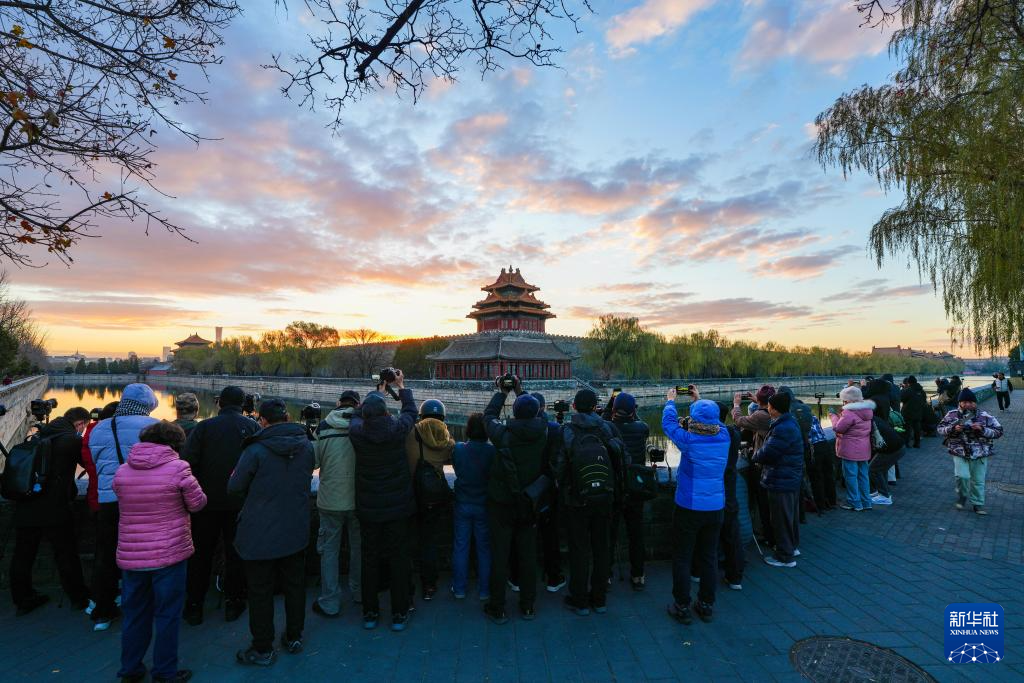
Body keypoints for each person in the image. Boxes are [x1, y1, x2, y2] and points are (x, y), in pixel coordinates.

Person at [114, 421, 206, 683]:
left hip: (133, 556)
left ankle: (130, 669)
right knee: (167, 615)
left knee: (134, 615)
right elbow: (197, 504)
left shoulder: (122, 471)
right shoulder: (178, 468)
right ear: (175, 444)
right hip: (169, 553)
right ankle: (164, 672)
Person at [230, 399, 314, 666]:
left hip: (259, 531)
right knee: (294, 585)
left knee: (260, 590)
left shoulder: (255, 449)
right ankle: (294, 636)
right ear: (287, 417)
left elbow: (234, 487)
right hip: (296, 526)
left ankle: (263, 647)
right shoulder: (306, 446)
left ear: (262, 420)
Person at [181, 386, 259, 625]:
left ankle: (194, 605)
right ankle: (233, 603)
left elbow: (187, 463)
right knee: (235, 554)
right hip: (239, 502)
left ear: (219, 403)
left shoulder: (204, 427)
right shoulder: (252, 427)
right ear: (242, 403)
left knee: (201, 555)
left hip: (206, 503)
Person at [86, 383, 160, 631]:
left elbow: (96, 462)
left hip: (109, 500)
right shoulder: (155, 427)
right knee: (146, 555)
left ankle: (103, 611)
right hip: (144, 501)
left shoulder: (100, 428)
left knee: (107, 554)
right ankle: (142, 605)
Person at [349, 371, 417, 632]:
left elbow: (355, 416)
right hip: (398, 506)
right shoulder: (397, 429)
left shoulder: (357, 433)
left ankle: (370, 613)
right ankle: (399, 613)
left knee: (370, 560)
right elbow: (410, 411)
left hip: (368, 508)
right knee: (399, 558)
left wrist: (375, 392)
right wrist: (401, 386)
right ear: (387, 413)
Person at [9, 407, 92, 616]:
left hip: (27, 503)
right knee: (66, 554)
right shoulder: (71, 440)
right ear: (80, 423)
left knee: (23, 554)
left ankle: (22, 599)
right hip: (55, 507)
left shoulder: (40, 434)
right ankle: (78, 597)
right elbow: (89, 464)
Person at [482, 379, 548, 623]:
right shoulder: (543, 430)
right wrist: (520, 390)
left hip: (502, 503)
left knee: (500, 556)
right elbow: (538, 411)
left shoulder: (503, 435)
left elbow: (488, 416)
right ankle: (528, 605)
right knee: (528, 556)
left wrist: (503, 392)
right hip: (529, 502)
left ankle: (497, 607)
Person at [555, 389, 624, 617]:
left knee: (579, 549)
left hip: (577, 498)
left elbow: (559, 467)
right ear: (596, 407)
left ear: (574, 406)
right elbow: (621, 458)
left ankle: (580, 600)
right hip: (605, 497)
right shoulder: (607, 428)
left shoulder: (567, 431)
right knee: (602, 547)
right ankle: (600, 598)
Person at [662, 388, 729, 624]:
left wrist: (671, 401)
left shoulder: (688, 440)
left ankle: (681, 605)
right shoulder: (725, 435)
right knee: (708, 557)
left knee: (682, 556)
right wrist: (699, 401)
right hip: (715, 507)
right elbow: (712, 420)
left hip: (689, 506)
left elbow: (668, 424)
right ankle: (706, 604)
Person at [508, 392, 565, 594]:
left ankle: (515, 577)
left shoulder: (510, 431)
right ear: (543, 408)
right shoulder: (555, 430)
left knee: (519, 537)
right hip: (546, 491)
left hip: (521, 492)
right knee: (550, 537)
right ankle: (554, 578)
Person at [312, 390, 361, 618]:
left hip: (330, 499)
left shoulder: (322, 427)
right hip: (359, 499)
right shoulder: (363, 426)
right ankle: (360, 592)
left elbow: (313, 462)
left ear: (338, 403)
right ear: (357, 404)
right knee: (358, 549)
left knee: (329, 551)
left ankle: (330, 601)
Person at [405, 397, 455, 601]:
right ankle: (429, 585)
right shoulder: (448, 440)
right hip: (433, 497)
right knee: (429, 541)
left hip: (411, 493)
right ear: (442, 416)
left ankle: (406, 585)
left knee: (406, 541)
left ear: (422, 415)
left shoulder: (409, 433)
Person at [751, 392, 804, 568]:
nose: (767, 408)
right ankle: (792, 547)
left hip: (781, 478)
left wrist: (754, 454)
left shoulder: (782, 428)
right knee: (789, 516)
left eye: (769, 406)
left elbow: (768, 453)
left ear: (773, 408)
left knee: (780, 519)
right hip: (789, 477)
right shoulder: (789, 422)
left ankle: (785, 556)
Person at [604, 391, 650, 591]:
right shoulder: (642, 428)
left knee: (609, 533)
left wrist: (610, 405)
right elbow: (637, 421)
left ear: (614, 410)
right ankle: (638, 574)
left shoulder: (607, 428)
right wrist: (633, 412)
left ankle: (605, 575)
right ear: (634, 411)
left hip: (614, 486)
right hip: (635, 487)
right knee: (636, 533)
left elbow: (603, 420)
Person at [450, 412, 495, 601]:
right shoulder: (492, 451)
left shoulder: (459, 449)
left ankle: (459, 588)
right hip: (483, 504)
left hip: (463, 502)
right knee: (484, 548)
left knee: (461, 546)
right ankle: (484, 590)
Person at [937, 388, 1003, 515]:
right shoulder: (951, 414)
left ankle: (978, 504)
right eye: (965, 402)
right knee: (962, 476)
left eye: (971, 402)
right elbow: (940, 429)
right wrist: (953, 428)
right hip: (959, 451)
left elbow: (999, 431)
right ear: (960, 403)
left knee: (978, 481)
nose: (968, 404)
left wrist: (982, 429)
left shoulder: (985, 416)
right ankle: (962, 495)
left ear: (975, 403)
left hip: (980, 453)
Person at [732, 385, 775, 546]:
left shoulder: (760, 416)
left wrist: (736, 405)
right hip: (777, 466)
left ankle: (770, 538)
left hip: (762, 466)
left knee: (764, 503)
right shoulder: (778, 412)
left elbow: (739, 421)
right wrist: (759, 401)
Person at [829, 386, 874, 512]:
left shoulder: (849, 412)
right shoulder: (867, 410)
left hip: (850, 449)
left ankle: (855, 503)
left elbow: (838, 428)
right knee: (863, 476)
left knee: (850, 476)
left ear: (848, 399)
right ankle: (866, 502)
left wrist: (833, 416)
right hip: (864, 448)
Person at [717, 402, 745, 590]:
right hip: (729, 490)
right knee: (732, 534)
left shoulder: (707, 434)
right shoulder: (732, 434)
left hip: (713, 492)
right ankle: (735, 576)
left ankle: (697, 572)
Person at [869, 403, 905, 506]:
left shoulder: (868, 421)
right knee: (881, 469)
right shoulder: (874, 418)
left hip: (892, 449)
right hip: (898, 446)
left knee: (872, 469)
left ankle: (884, 496)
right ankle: (882, 493)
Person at [899, 376, 928, 448]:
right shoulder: (922, 391)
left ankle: (906, 444)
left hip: (907, 413)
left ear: (908, 382)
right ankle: (917, 443)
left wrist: (903, 389)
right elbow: (924, 402)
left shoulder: (908, 390)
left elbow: (901, 398)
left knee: (907, 429)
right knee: (917, 428)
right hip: (918, 412)